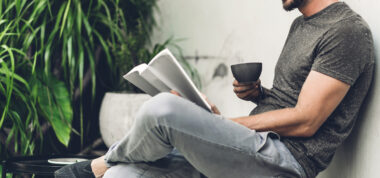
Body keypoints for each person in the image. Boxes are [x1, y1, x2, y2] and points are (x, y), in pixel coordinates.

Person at [55, 0, 374, 177]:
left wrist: (220, 125)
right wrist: (260, 95)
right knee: (121, 177)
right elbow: (293, 99)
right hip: (256, 146)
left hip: (285, 161)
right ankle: (108, 168)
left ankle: (96, 165)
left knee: (162, 109)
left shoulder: (346, 31)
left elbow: (307, 121)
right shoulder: (301, 25)